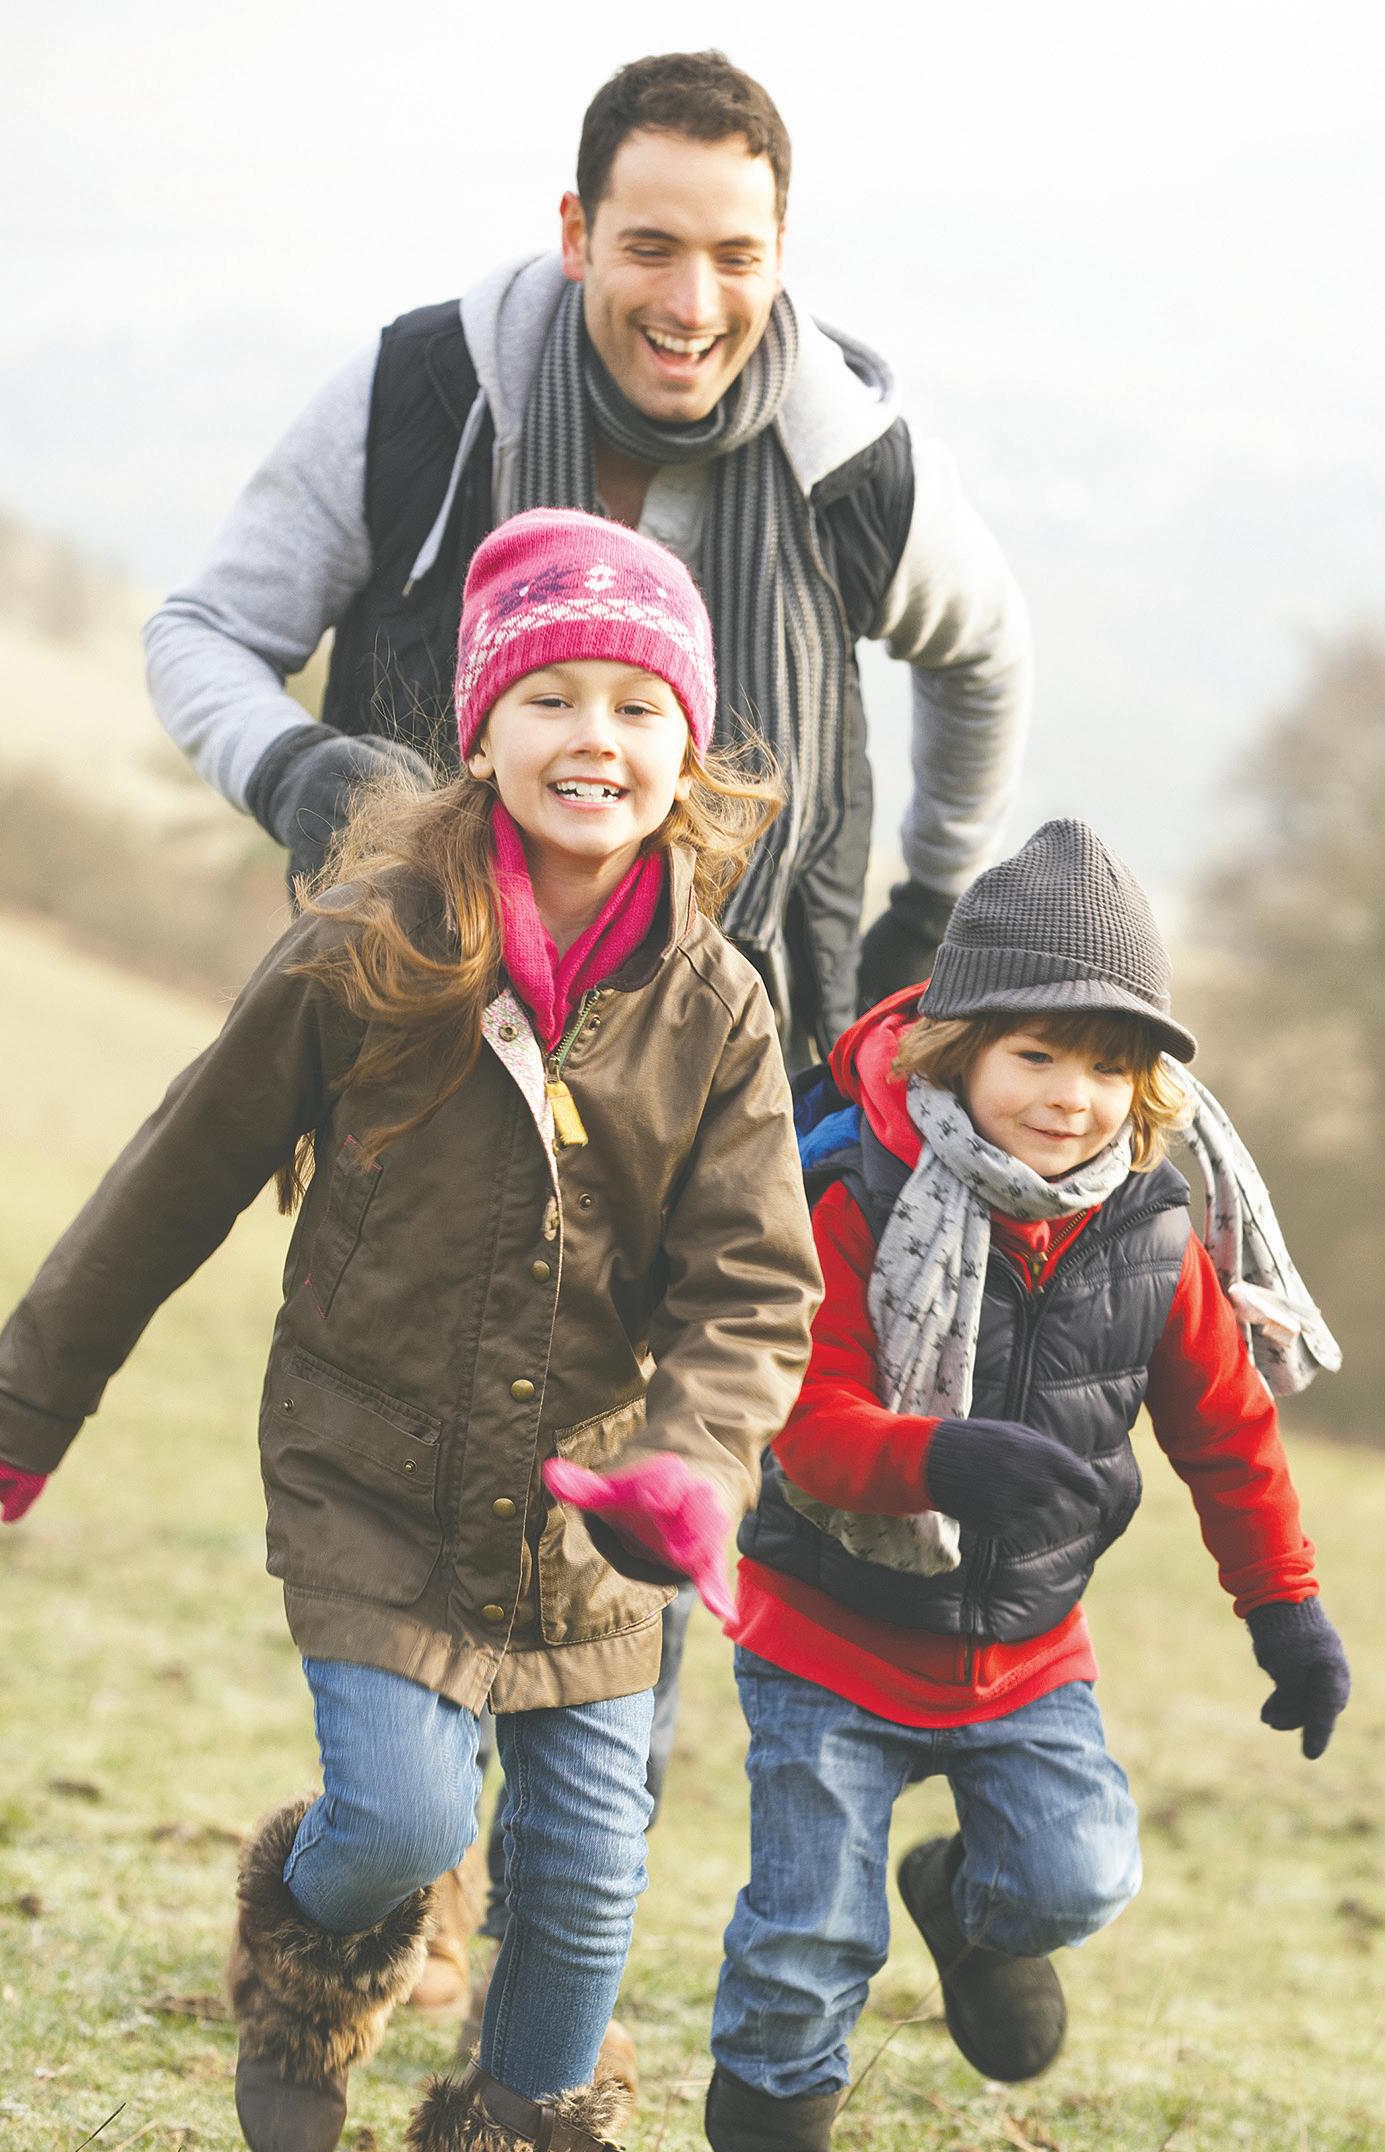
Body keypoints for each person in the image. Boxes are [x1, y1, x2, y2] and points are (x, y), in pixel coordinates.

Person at [142, 49, 1032, 1931]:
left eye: (736, 255)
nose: (692, 301)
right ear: (575, 234)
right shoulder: (422, 397)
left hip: (730, 1041)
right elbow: (206, 628)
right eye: (649, 247)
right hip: (435, 1027)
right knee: (431, 1421)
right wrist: (301, 775)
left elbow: (986, 655)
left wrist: (928, 910)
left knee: (666, 1459)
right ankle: (403, 1866)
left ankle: (547, 1993)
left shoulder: (853, 455)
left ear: (782, 254)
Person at [0, 509, 821, 2152]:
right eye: (552, 697)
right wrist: (31, 1400)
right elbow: (179, 1171)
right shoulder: (373, 945)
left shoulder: (721, 1008)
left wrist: (693, 1463)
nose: (596, 738)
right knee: (405, 1815)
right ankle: (309, 1942)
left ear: (689, 753)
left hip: (593, 1523)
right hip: (372, 1480)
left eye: (639, 707)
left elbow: (756, 1286)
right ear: (482, 730)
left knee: (584, 1878)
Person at [686, 817, 1350, 2152]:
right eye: (1037, 1054)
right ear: (959, 1047)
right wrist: (939, 1459)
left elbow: (1228, 1434)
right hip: (830, 1631)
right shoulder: (857, 1192)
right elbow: (802, 1421)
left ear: (1149, 1083)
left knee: (1076, 1880)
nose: (1070, 1096)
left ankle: (969, 1911)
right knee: (809, 1932)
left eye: (1108, 1065)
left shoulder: (1151, 1230)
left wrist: (1285, 1610)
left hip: (1025, 1653)